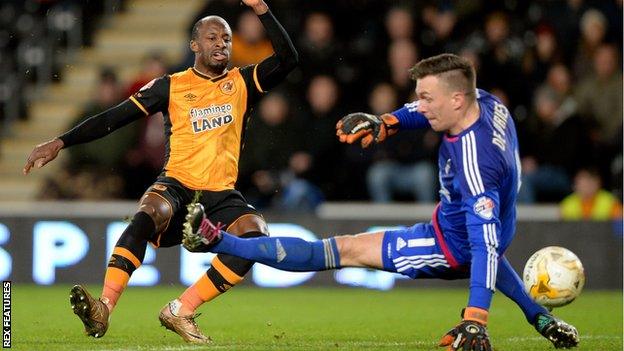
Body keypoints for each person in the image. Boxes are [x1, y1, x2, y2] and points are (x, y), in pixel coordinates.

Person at [182, 54, 579, 350]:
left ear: (457, 100)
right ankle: (542, 318)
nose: (419, 105)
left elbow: (484, 248)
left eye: (426, 98)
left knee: (344, 250)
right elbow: (424, 113)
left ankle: (217, 241)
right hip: (471, 227)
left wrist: (476, 318)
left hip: (448, 246)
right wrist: (388, 122)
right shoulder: (488, 105)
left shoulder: (476, 165)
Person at [23, 0, 297, 343]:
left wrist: (261, 10)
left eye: (226, 39)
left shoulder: (243, 83)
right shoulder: (171, 86)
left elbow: (289, 59)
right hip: (177, 184)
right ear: (194, 45)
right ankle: (103, 308)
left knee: (255, 236)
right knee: (149, 212)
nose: (221, 45)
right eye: (212, 38)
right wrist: (60, 142)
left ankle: (181, 310)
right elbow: (114, 118)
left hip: (221, 194)